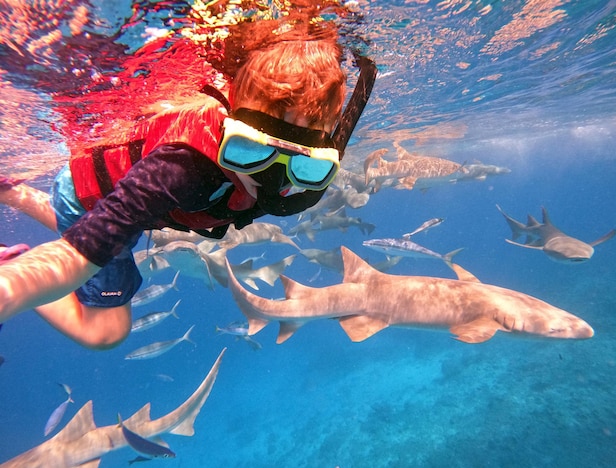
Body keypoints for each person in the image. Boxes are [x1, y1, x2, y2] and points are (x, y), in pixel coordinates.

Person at [0, 5, 376, 349]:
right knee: (106, 333)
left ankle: (14, 195)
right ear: (231, 120)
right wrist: (9, 290)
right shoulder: (181, 166)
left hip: (134, 206)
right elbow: (77, 254)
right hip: (88, 197)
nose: (271, 176)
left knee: (116, 233)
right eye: (252, 151)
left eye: (304, 163)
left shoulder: (304, 159)